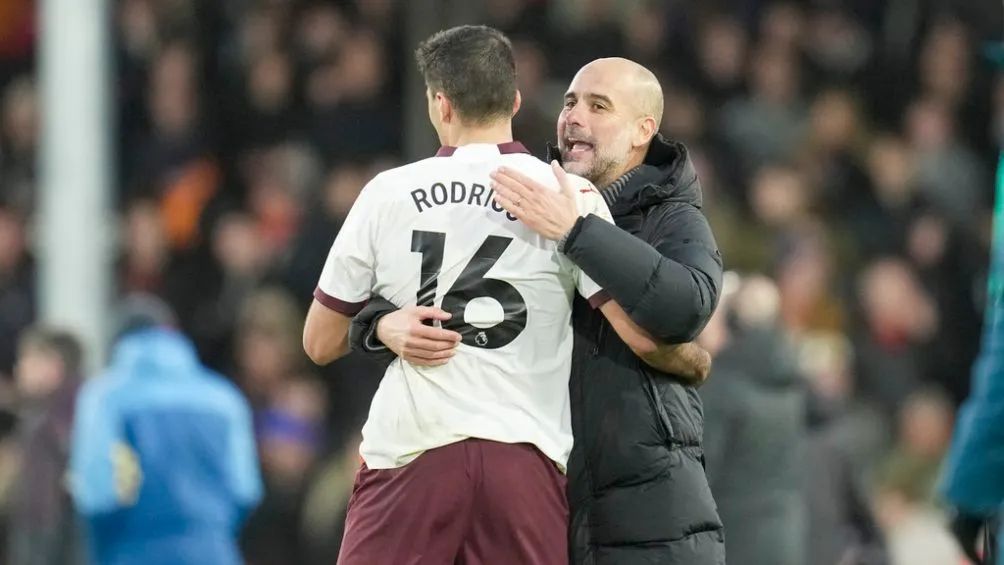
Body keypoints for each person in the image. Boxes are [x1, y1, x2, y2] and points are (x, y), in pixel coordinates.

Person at [301, 26, 706, 565]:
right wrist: (695, 360)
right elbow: (643, 339)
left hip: (412, 454)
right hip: (523, 464)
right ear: (514, 100)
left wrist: (380, 326)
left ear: (439, 104)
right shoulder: (568, 195)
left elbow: (319, 341)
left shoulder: (387, 191)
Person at [68, 294, 262, 565]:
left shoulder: (105, 398)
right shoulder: (224, 398)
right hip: (213, 552)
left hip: (130, 552)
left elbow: (97, 494)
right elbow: (245, 489)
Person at [9, 326, 85, 565]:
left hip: (49, 542)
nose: (18, 369)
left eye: (27, 359)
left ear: (52, 366)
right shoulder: (51, 412)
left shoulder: (55, 420)